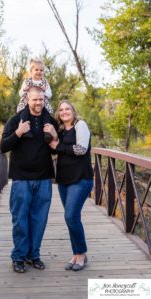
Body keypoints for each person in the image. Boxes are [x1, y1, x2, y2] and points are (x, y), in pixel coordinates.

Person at [0, 87, 58, 273]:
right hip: (21, 179)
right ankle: (18, 257)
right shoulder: (16, 120)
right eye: (34, 100)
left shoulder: (50, 121)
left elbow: (57, 149)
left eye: (41, 100)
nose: (38, 103)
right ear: (27, 99)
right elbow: (3, 147)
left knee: (39, 220)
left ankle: (34, 256)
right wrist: (18, 133)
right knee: (20, 220)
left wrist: (55, 135)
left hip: (43, 179)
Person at [44, 100, 94, 272]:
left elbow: (81, 149)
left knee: (71, 216)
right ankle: (76, 253)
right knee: (71, 217)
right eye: (61, 110)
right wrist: (52, 135)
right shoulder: (59, 131)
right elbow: (53, 148)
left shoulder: (81, 126)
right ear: (58, 114)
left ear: (73, 111)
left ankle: (81, 254)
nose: (64, 112)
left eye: (68, 109)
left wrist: (59, 145)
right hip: (64, 180)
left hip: (81, 179)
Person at [17, 58, 53, 143]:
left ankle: (47, 133)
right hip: (27, 102)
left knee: (46, 114)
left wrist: (45, 90)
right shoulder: (27, 80)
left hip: (42, 103)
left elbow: (50, 95)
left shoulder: (44, 82)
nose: (39, 72)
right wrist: (25, 89)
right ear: (31, 71)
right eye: (36, 70)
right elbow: (20, 93)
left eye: (41, 70)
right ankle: (26, 131)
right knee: (24, 113)